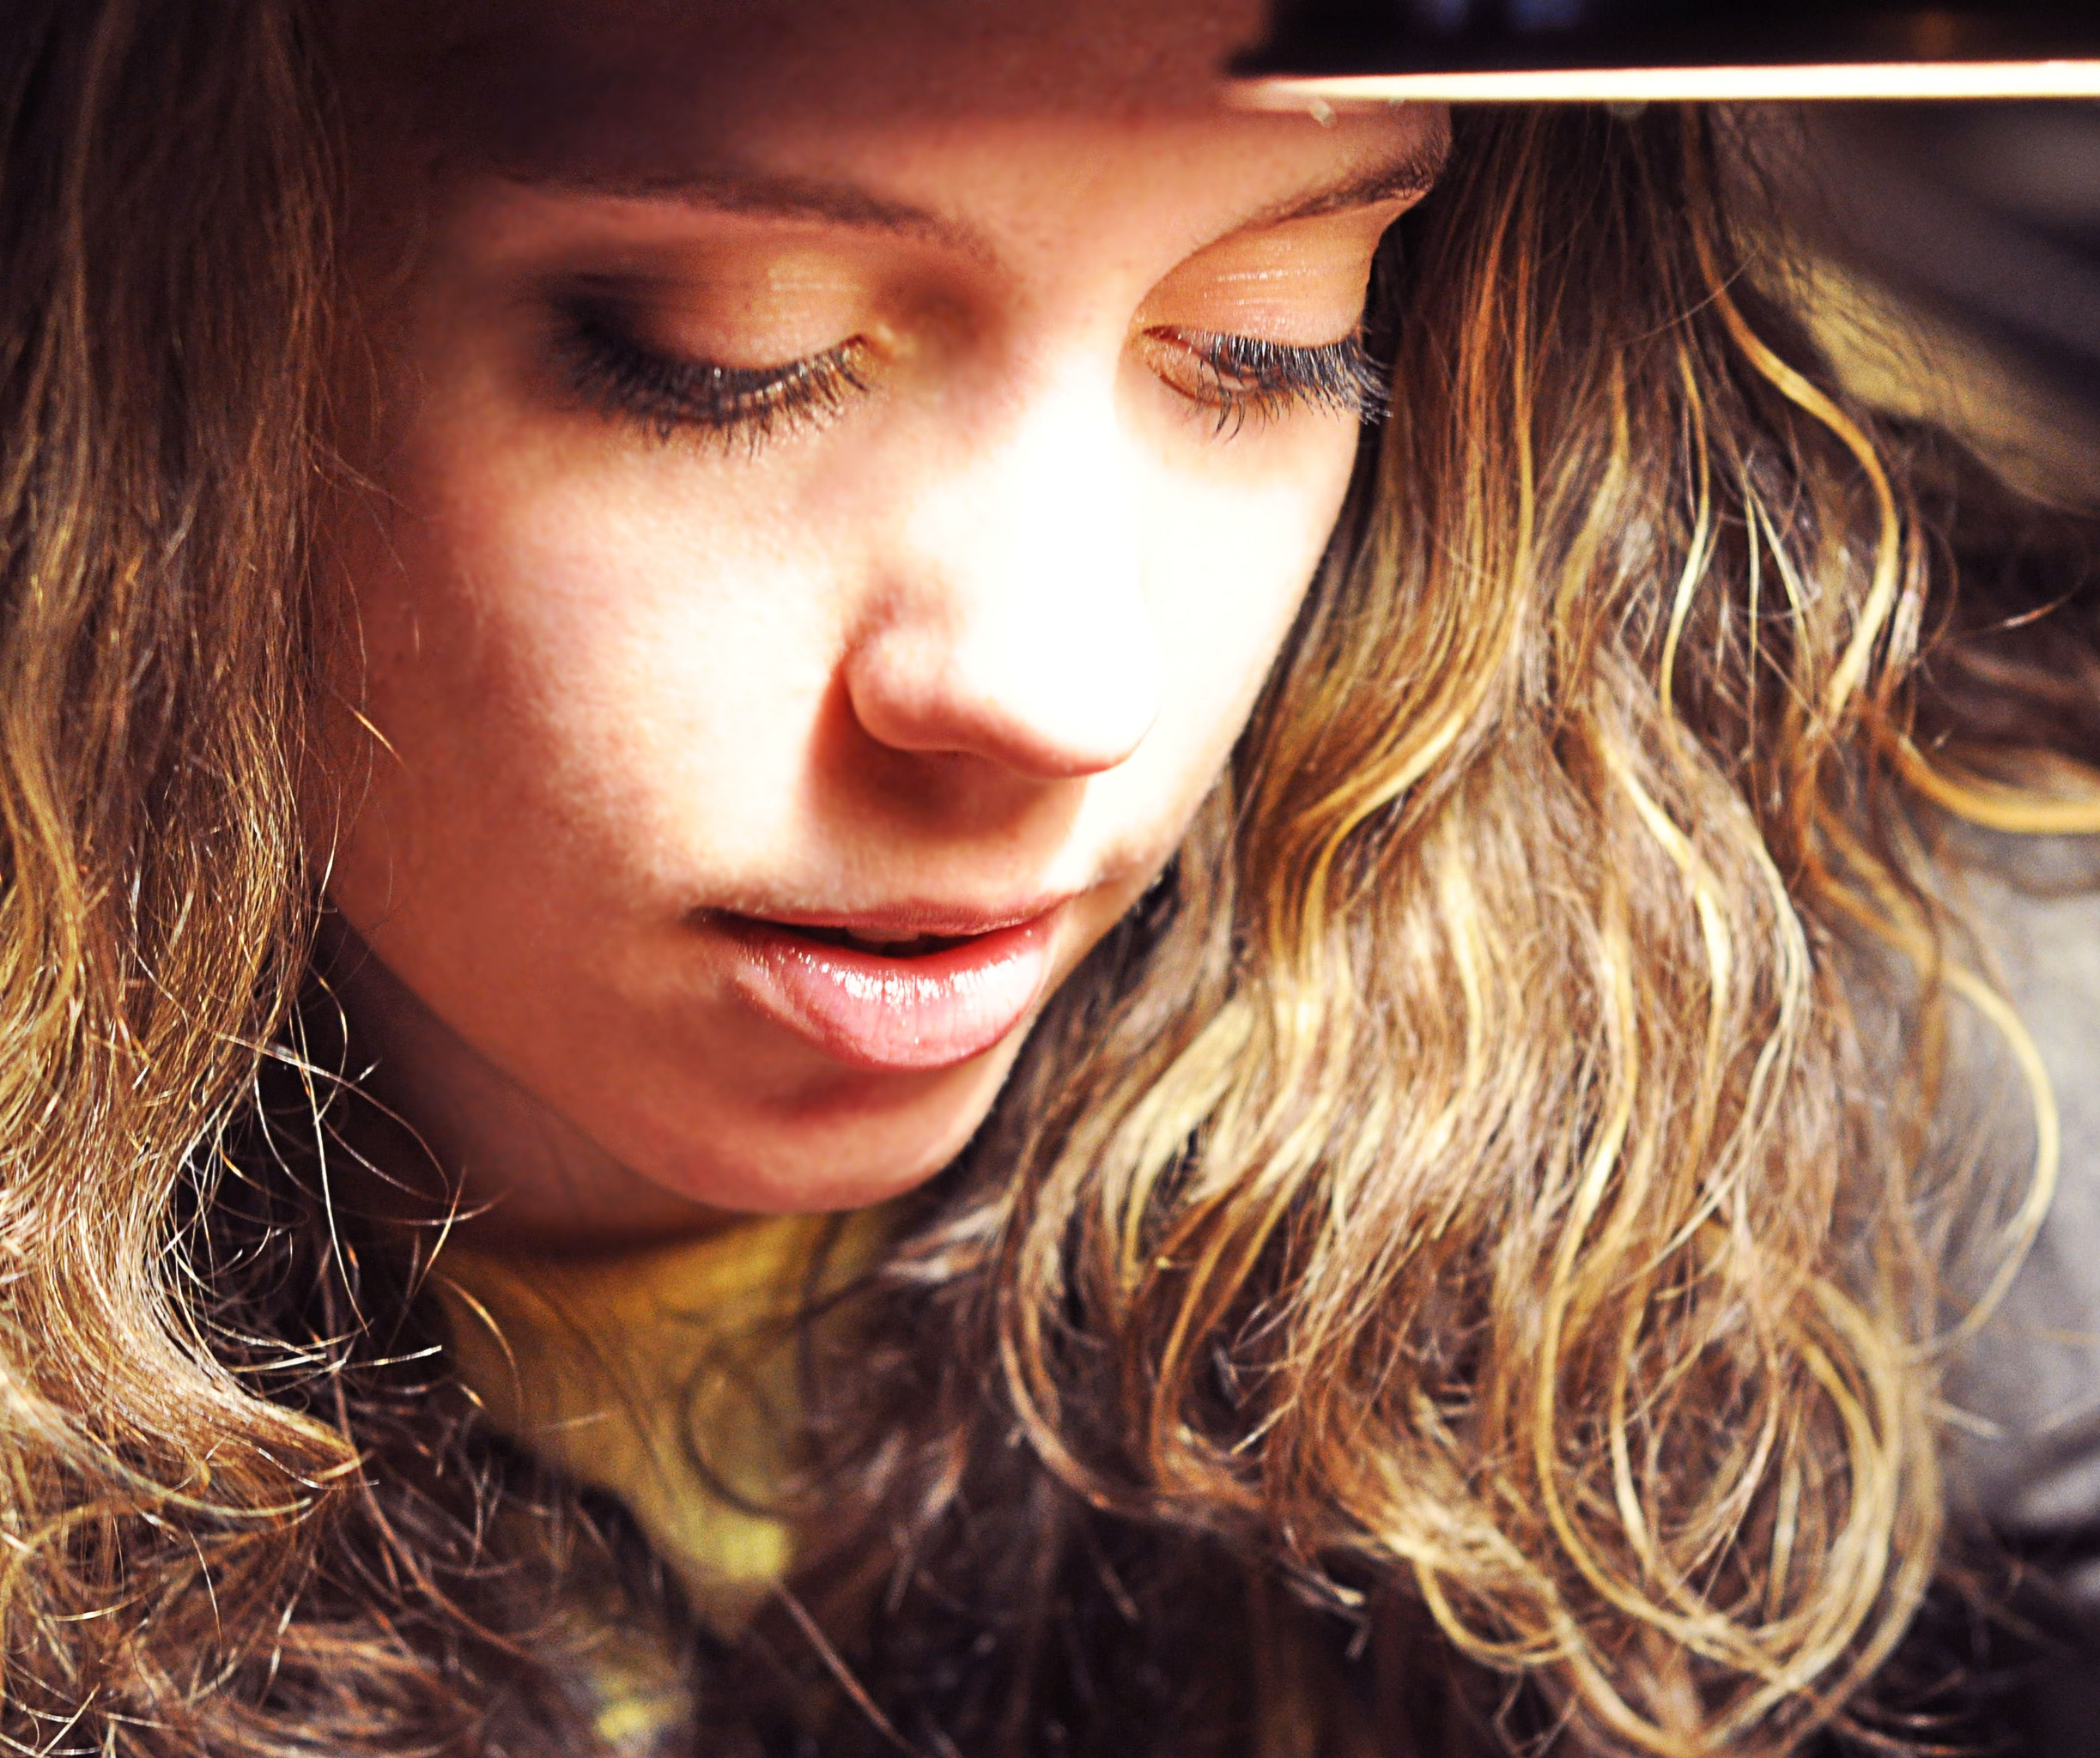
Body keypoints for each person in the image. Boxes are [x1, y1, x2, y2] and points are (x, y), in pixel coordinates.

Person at [3, 3, 2091, 1755]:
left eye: (1269, 341)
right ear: (126, 349)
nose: (1064, 691)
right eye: (727, 355)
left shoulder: (1936, 1144)